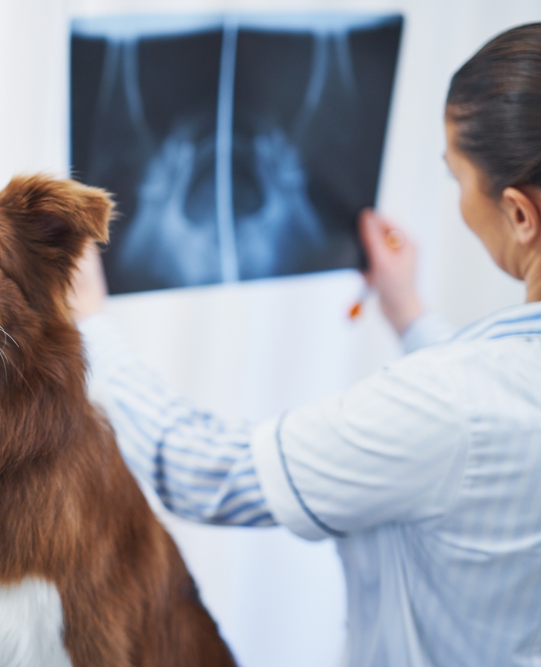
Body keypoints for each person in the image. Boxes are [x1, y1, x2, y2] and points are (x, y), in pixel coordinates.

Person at [70, 23, 541, 667]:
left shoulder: (449, 404)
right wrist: (410, 314)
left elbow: (204, 473)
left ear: (519, 214)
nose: (458, 200)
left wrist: (89, 323)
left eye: (454, 176)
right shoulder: (481, 396)